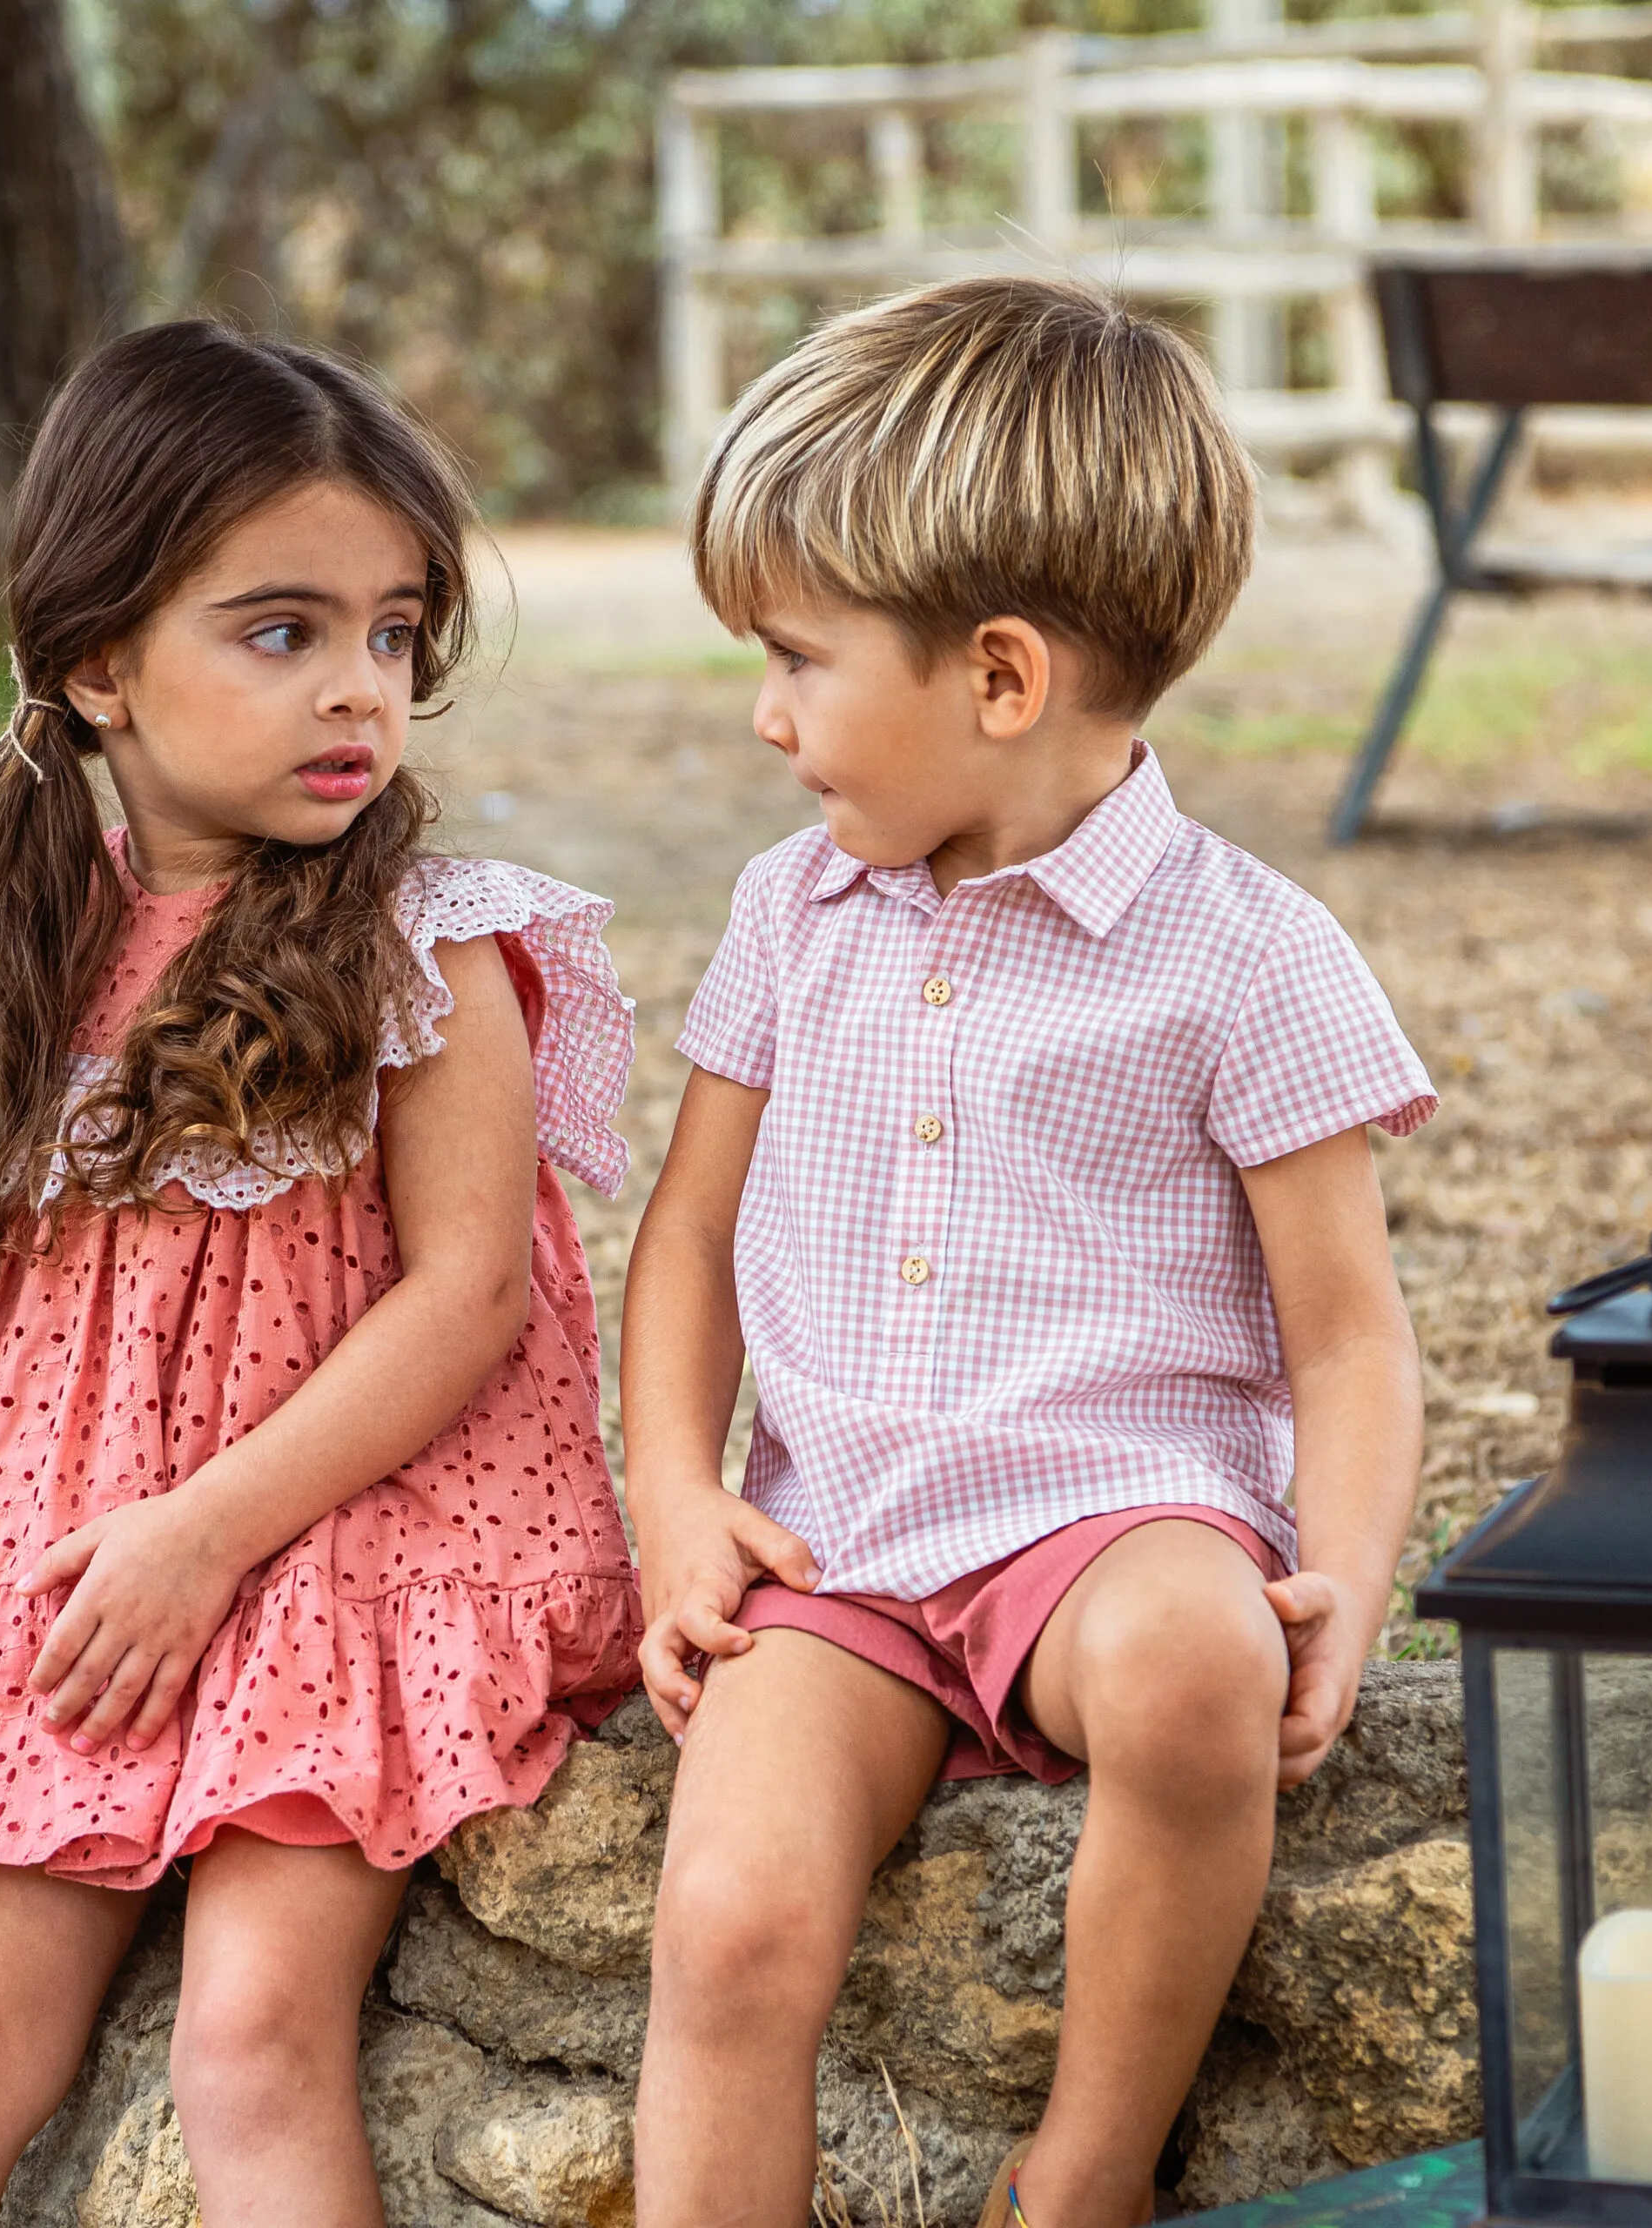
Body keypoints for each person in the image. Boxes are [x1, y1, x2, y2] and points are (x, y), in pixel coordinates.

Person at [0, 321, 641, 2228]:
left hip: (345, 1531)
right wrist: (91, 1529)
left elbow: (465, 1297)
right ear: (98, 663)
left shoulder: (431, 937)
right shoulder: (17, 932)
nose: (359, 689)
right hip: (75, 1551)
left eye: (393, 631)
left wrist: (209, 1527)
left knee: (249, 2034)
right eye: (282, 630)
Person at [622, 277, 1435, 2228]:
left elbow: (1347, 1337)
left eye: (799, 659)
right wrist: (671, 1489)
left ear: (999, 677)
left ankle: (1081, 2170)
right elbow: (693, 1233)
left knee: (1187, 1663)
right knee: (727, 1916)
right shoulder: (790, 908)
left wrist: (1333, 1575)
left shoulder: (1244, 952)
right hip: (843, 1550)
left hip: (1112, 1519)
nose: (766, 715)